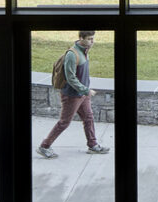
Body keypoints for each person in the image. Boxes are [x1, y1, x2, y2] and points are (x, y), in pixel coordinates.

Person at [38, 29, 110, 159]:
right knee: (64, 122)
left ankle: (93, 145)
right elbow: (70, 78)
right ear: (81, 38)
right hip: (72, 95)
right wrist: (85, 90)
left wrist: (85, 91)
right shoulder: (72, 54)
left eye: (93, 39)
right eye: (89, 39)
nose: (92, 42)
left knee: (88, 118)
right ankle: (44, 146)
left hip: (83, 94)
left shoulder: (85, 51)